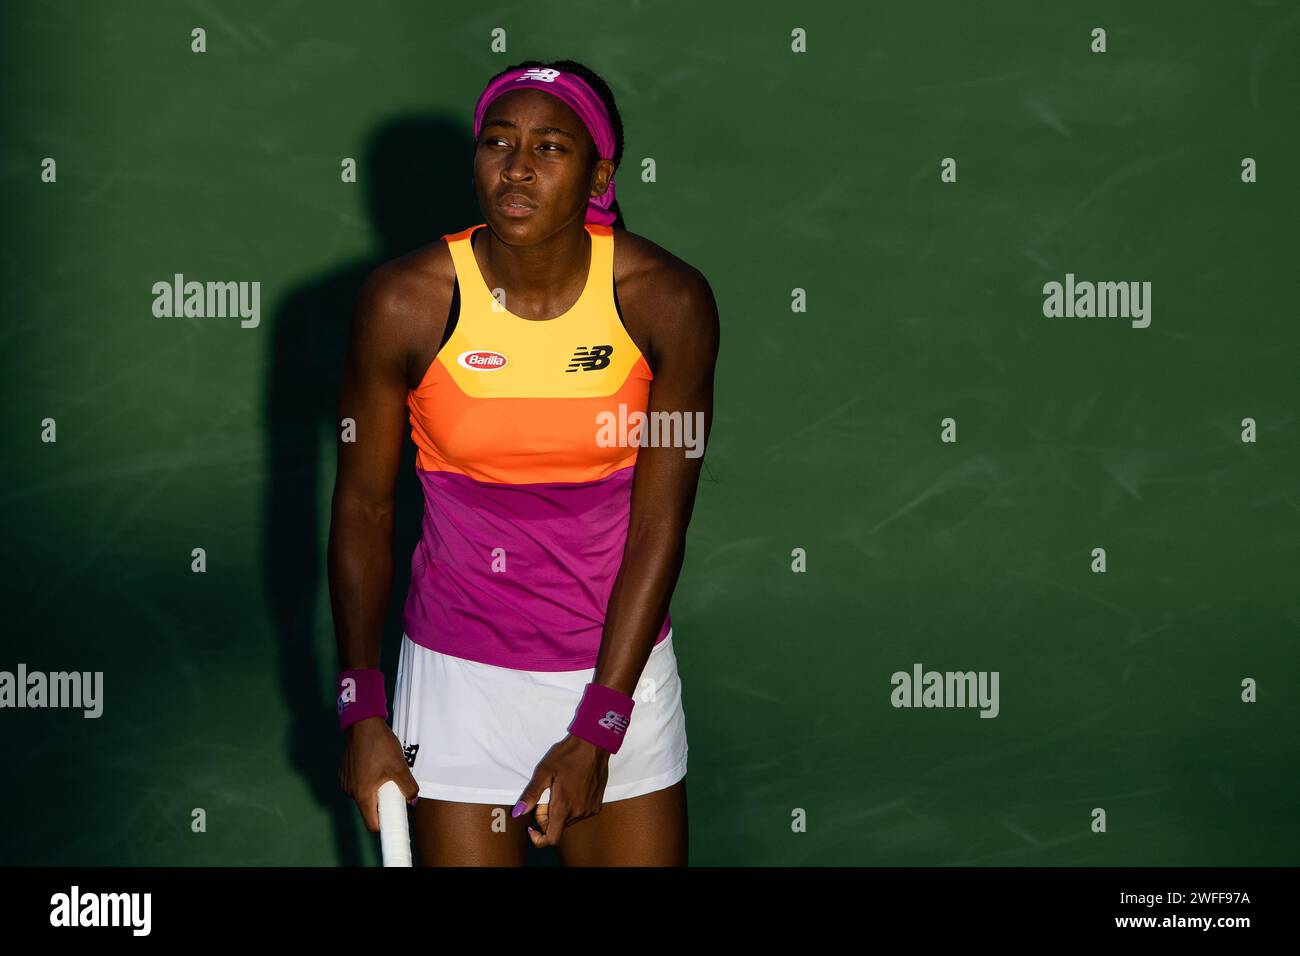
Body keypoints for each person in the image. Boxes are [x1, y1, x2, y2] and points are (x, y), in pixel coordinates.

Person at [328, 58, 719, 866]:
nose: (517, 167)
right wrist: (363, 710)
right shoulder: (405, 303)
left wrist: (600, 724)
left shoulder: (669, 304)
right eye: (498, 143)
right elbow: (363, 510)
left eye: (550, 148)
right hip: (456, 686)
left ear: (599, 172)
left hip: (620, 680)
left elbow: (659, 524)